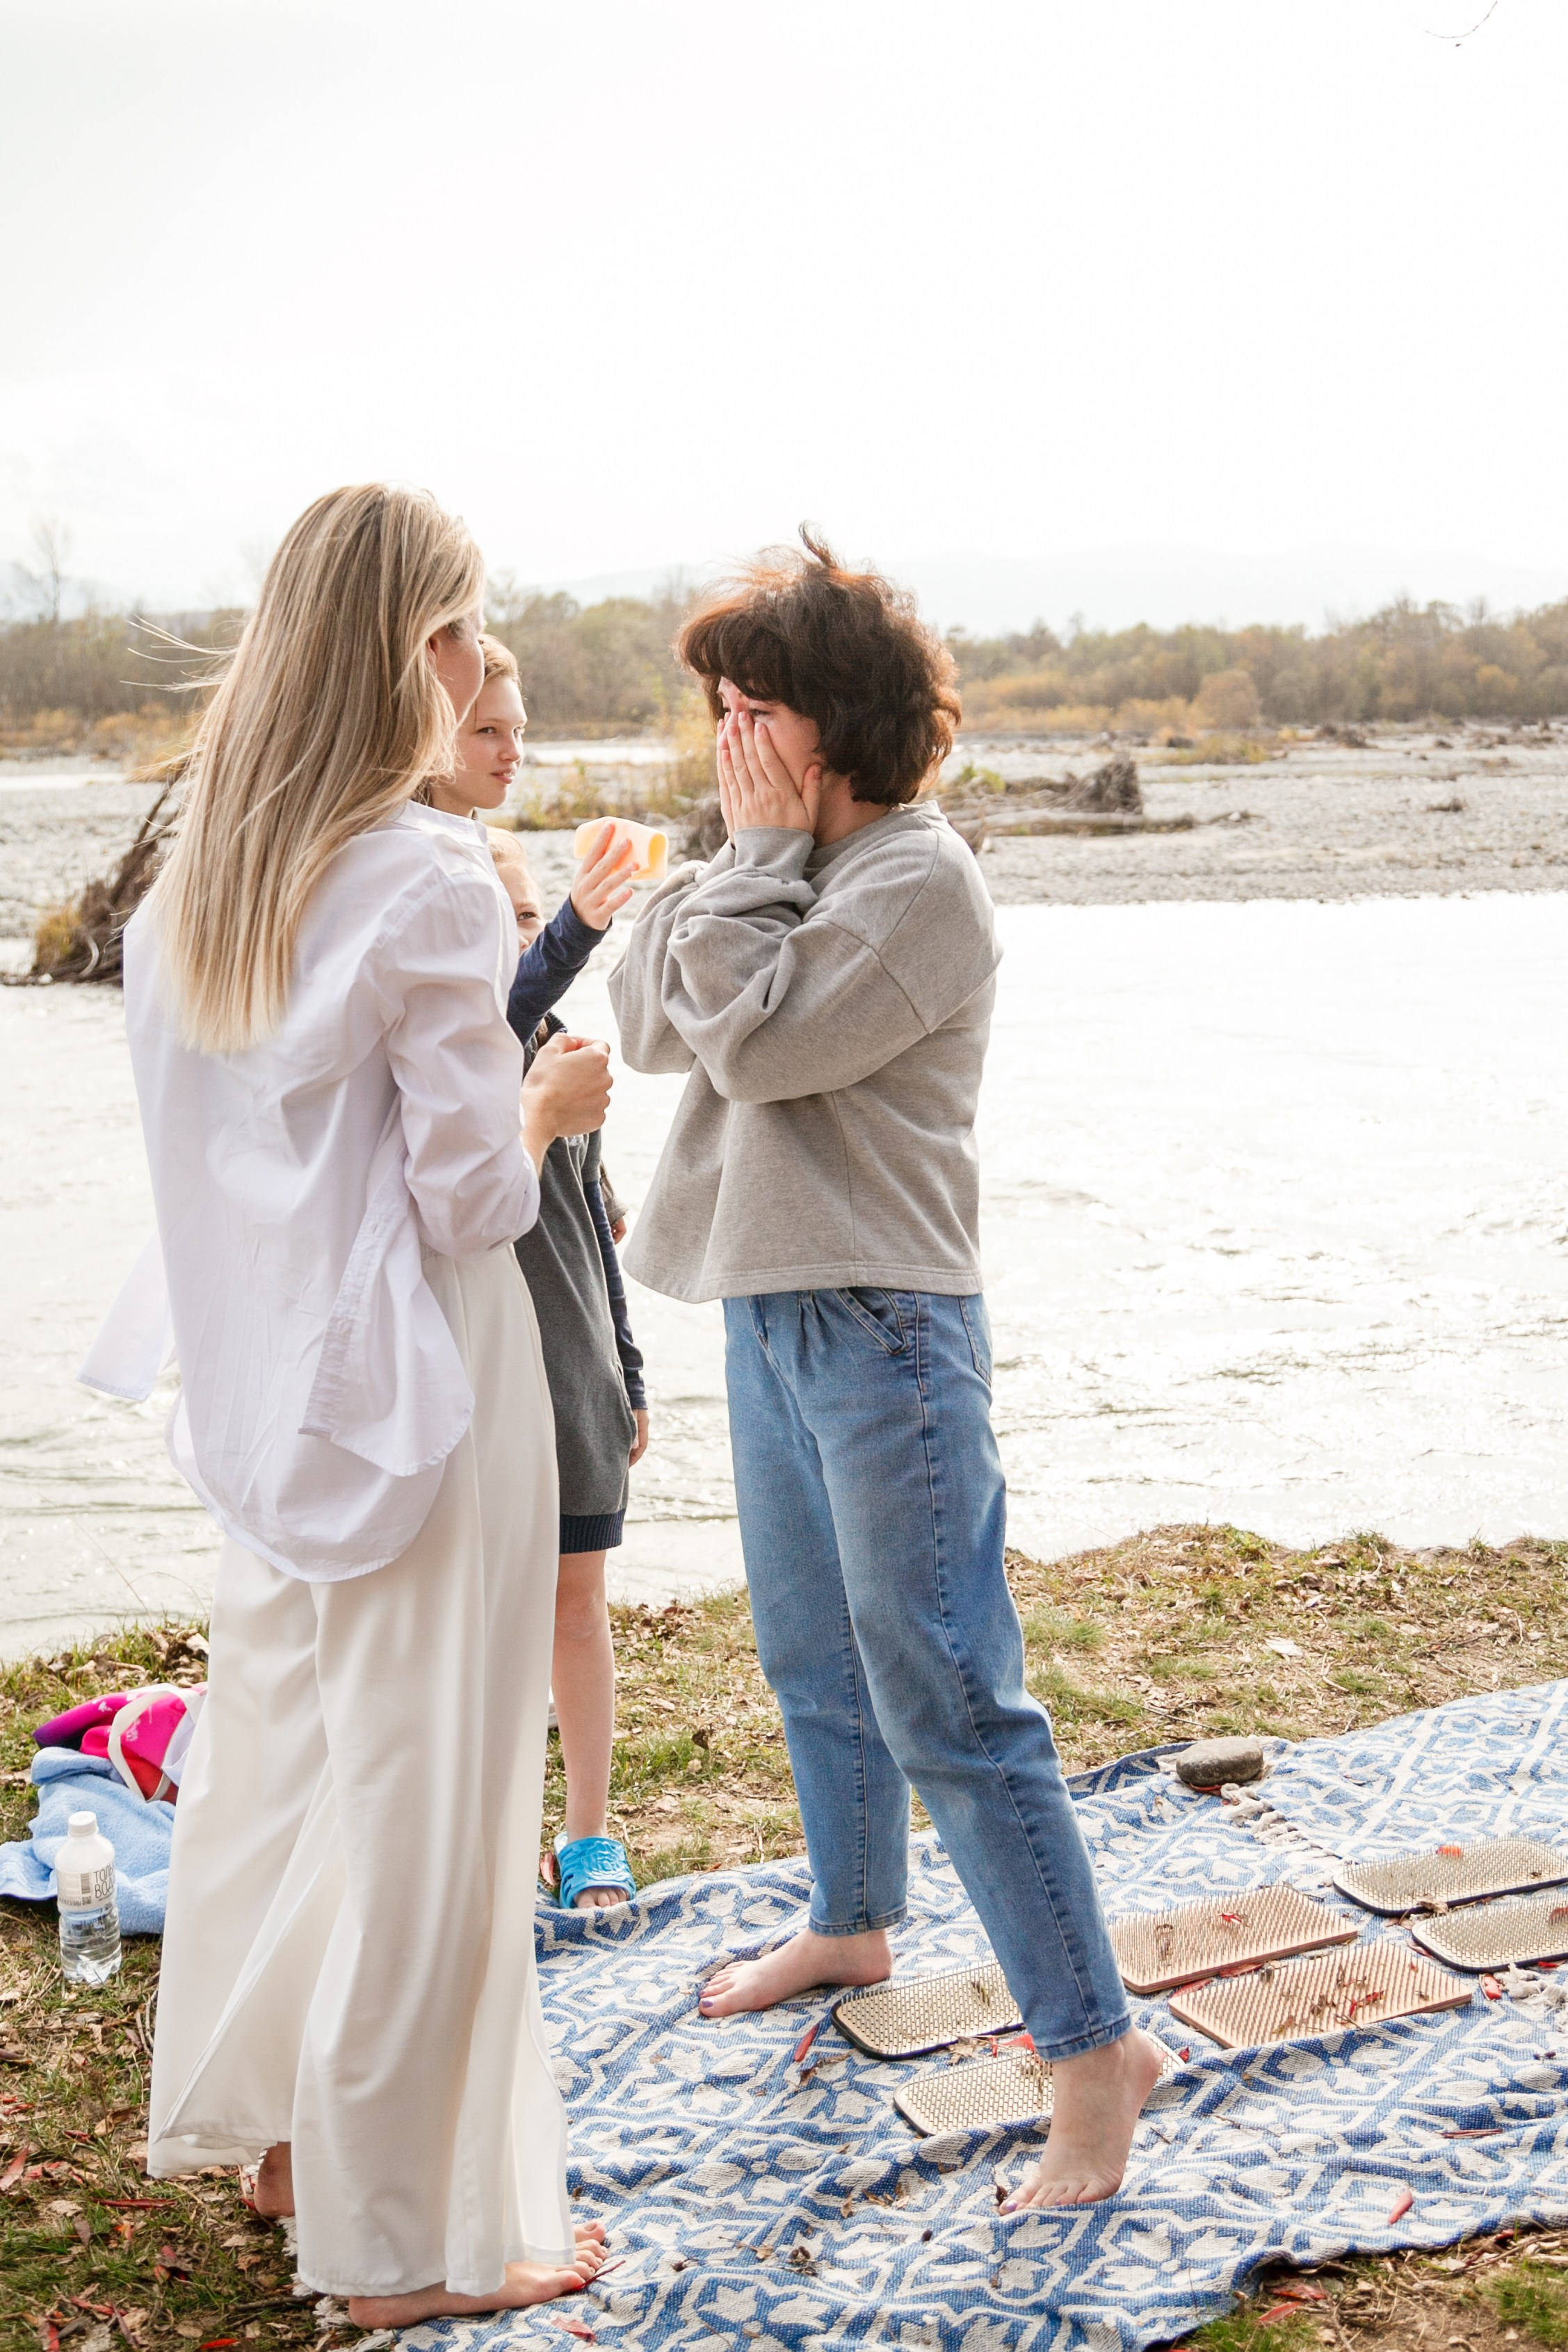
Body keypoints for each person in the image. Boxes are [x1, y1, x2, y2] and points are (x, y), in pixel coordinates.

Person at [81, 485, 614, 2320]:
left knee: (282, 1762)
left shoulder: (197, 888)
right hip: (428, 1379)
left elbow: (238, 1180)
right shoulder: (421, 875)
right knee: (435, 1792)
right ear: (400, 647)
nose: (486, 661)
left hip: (261, 1392)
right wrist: (548, 1104)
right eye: (466, 626)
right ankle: (398, 2243)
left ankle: (281, 2128)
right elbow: (471, 1194)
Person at [608, 531, 1165, 2209]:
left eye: (751, 707)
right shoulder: (764, 854)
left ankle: (1093, 2054)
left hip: (887, 1329)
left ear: (830, 723)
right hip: (769, 1305)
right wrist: (738, 858)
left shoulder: (921, 881)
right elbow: (647, 1017)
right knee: (811, 1653)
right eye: (715, 709)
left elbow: (761, 1044)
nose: (727, 741)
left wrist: (747, 863)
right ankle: (855, 1922)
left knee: (954, 1700)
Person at [430, 638, 650, 1911]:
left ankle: (587, 1830)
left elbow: (596, 1246)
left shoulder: (564, 1059)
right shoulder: (482, 1062)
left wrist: (624, 1371)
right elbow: (506, 1010)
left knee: (578, 1608)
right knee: (491, 1627)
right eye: (503, 919)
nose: (519, 941)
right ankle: (498, 1834)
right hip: (478, 1383)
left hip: (571, 1376)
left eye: (525, 918)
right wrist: (574, 922)